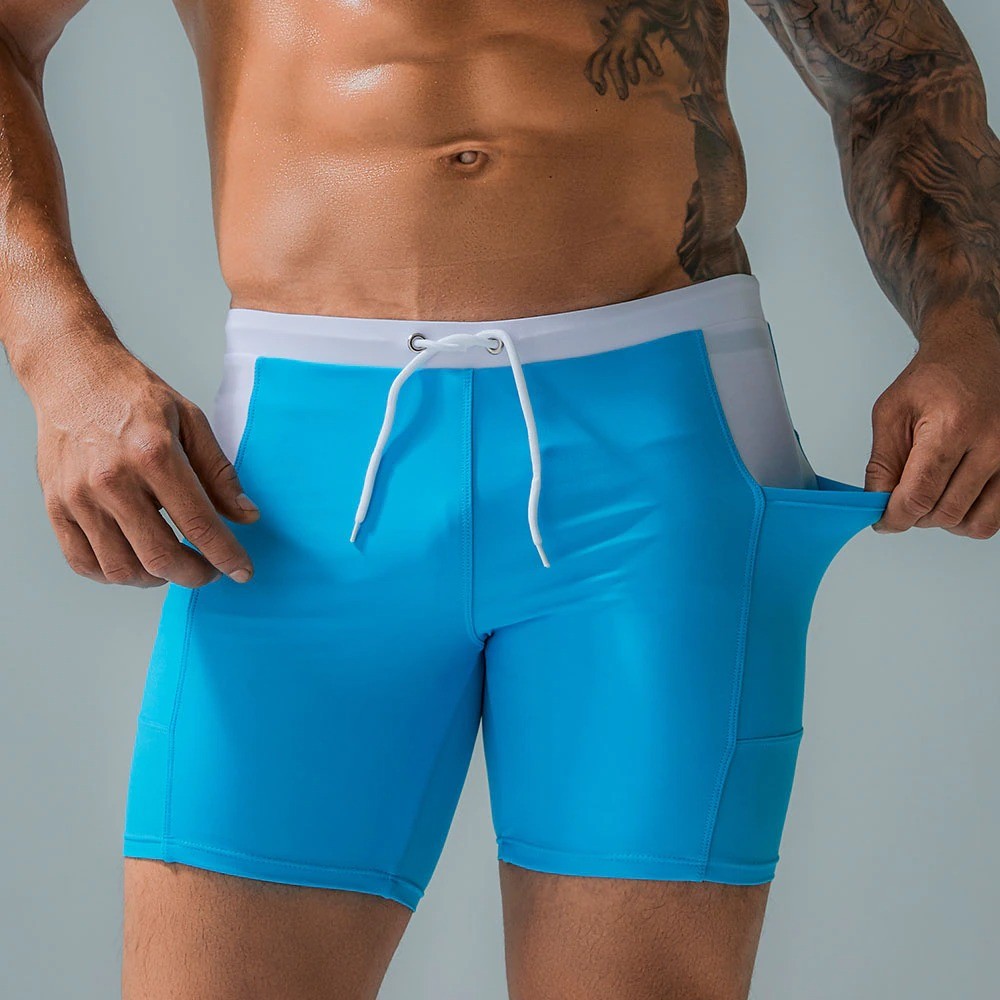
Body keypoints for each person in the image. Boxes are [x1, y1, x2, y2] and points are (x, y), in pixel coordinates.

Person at [2, 1, 998, 997]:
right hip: (303, 469)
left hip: (655, 438)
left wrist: (973, 323)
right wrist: (59, 351)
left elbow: (898, 66)